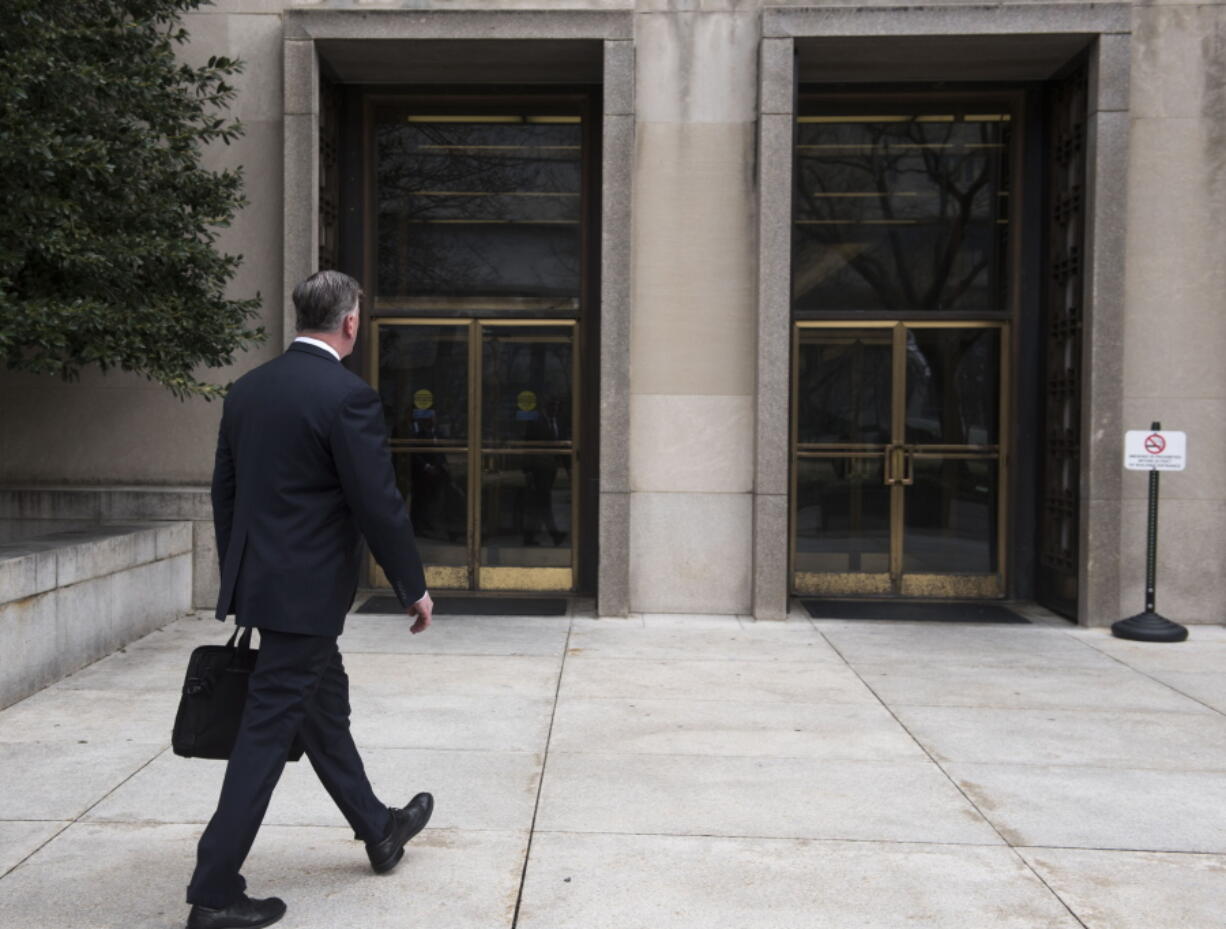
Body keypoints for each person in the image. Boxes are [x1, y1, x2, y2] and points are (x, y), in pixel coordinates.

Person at [184, 270, 435, 929]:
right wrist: (413, 585)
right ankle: (213, 892)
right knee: (265, 735)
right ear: (350, 323)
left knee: (321, 712)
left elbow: (226, 495)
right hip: (307, 597)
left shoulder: (247, 391)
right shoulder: (346, 398)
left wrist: (239, 579)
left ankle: (379, 828)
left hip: (264, 589)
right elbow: (377, 503)